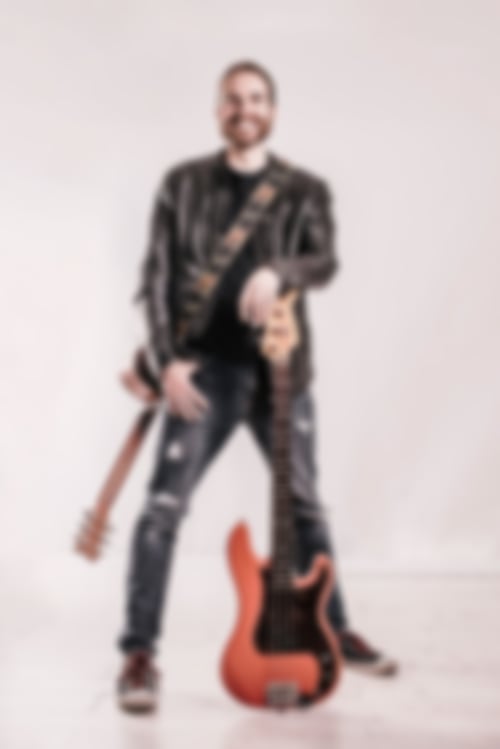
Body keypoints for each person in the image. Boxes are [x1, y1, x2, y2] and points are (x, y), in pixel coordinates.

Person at [115, 60, 398, 713]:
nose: (245, 109)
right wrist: (168, 362)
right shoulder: (181, 183)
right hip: (203, 372)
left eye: (256, 98)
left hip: (282, 368)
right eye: (233, 100)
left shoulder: (306, 189)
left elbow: (325, 261)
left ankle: (334, 631)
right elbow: (155, 279)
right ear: (218, 110)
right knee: (162, 510)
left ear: (272, 108)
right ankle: (138, 655)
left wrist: (279, 269)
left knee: (306, 508)